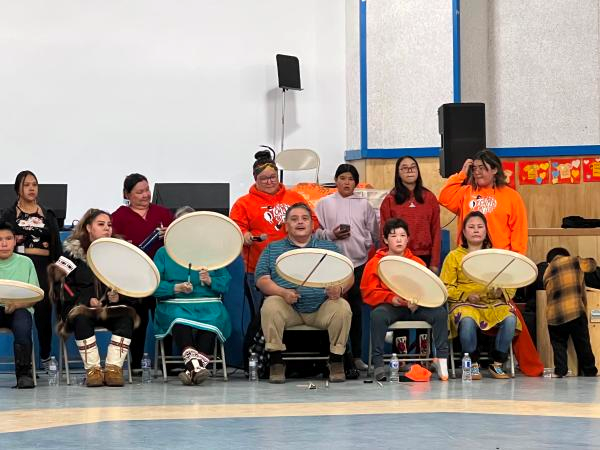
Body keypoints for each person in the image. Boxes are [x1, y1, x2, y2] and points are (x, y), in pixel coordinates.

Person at [256, 203, 353, 384]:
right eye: (294, 219)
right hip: (288, 309)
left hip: (321, 309)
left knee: (342, 307)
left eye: (304, 219)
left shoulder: (329, 248)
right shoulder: (272, 249)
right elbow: (262, 279)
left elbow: (349, 275)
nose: (300, 222)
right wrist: (282, 292)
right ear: (286, 225)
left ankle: (336, 360)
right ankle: (276, 362)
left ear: (312, 225)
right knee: (270, 305)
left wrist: (339, 289)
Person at [48, 209, 139, 387]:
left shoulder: (118, 253)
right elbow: (60, 285)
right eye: (101, 224)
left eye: (109, 225)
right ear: (89, 227)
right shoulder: (71, 253)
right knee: (81, 317)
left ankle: (113, 369)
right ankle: (94, 370)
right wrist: (86, 300)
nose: (107, 228)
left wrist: (117, 297)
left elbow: (128, 283)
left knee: (127, 316)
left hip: (108, 309)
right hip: (79, 308)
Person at [230, 151, 319, 316]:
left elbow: (313, 221)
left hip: (295, 267)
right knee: (263, 314)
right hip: (258, 269)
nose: (270, 182)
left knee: (296, 313)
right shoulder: (243, 203)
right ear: (255, 179)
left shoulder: (294, 197)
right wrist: (245, 235)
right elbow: (235, 229)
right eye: (264, 179)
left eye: (273, 177)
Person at [361, 218, 449, 382]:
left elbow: (428, 289)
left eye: (403, 235)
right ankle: (379, 364)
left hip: (416, 306)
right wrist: (390, 298)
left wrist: (420, 301)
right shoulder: (375, 263)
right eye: (394, 236)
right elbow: (368, 292)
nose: (399, 239)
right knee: (378, 315)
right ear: (386, 240)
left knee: (440, 313)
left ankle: (442, 361)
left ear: (408, 238)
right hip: (392, 306)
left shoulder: (417, 262)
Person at [153, 206, 232, 385]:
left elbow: (225, 282)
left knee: (212, 319)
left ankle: (192, 369)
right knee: (179, 318)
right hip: (175, 303)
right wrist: (176, 288)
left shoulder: (212, 252)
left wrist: (211, 281)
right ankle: (197, 368)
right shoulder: (163, 253)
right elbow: (153, 286)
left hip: (208, 303)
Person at [440, 211, 519, 379]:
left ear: (486, 231)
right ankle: (472, 363)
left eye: (480, 227)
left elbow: (511, 283)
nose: (476, 230)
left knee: (510, 318)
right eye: (471, 227)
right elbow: (445, 286)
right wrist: (465, 295)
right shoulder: (454, 257)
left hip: (492, 304)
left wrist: (501, 292)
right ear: (463, 232)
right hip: (465, 303)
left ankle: (497, 363)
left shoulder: (495, 255)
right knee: (467, 320)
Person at [315, 163, 378, 370]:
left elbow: (373, 233)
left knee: (356, 310)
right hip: (332, 264)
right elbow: (316, 233)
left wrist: (365, 244)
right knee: (332, 308)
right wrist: (332, 235)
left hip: (359, 263)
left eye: (350, 179)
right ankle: (335, 356)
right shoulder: (324, 203)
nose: (346, 182)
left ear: (356, 182)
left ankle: (357, 356)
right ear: (336, 181)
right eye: (342, 178)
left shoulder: (364, 205)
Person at [111, 173, 174, 371]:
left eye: (147, 190)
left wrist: (170, 234)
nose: (145, 195)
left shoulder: (163, 213)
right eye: (139, 192)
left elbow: (178, 243)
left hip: (162, 275)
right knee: (138, 319)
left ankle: (168, 364)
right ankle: (136, 363)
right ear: (127, 194)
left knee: (165, 316)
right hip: (134, 277)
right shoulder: (118, 217)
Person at [0, 170, 61, 370]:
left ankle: (45, 355)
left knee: (43, 310)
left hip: (44, 267)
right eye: (27, 184)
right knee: (19, 309)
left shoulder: (47, 213)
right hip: (18, 265)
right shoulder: (9, 214)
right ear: (18, 188)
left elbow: (56, 246)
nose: (32, 188)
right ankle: (24, 362)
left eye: (34, 184)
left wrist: (59, 270)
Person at [438, 149, 528, 254]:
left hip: (500, 256)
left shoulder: (512, 196)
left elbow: (519, 231)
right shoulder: (466, 192)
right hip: (469, 255)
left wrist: (516, 257)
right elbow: (444, 197)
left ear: (494, 170)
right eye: (474, 168)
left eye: (482, 168)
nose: (477, 172)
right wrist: (462, 174)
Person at [379, 156, 441, 273]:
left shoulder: (429, 197)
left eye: (413, 167)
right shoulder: (389, 200)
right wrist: (387, 258)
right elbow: (384, 233)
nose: (410, 170)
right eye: (405, 168)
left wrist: (434, 262)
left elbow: (436, 231)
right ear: (398, 173)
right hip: (398, 256)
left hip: (425, 257)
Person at [543, 247, 598, 377]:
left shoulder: (547, 271)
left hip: (553, 315)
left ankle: (560, 371)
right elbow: (592, 266)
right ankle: (590, 370)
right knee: (582, 343)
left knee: (558, 345)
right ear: (566, 256)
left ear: (549, 261)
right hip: (574, 310)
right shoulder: (574, 261)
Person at [0, 222, 38, 388]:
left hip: (20, 308)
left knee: (22, 325)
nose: (4, 243)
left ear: (15, 241)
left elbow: (35, 296)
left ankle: (24, 374)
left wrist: (16, 304)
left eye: (8, 238)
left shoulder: (26, 262)